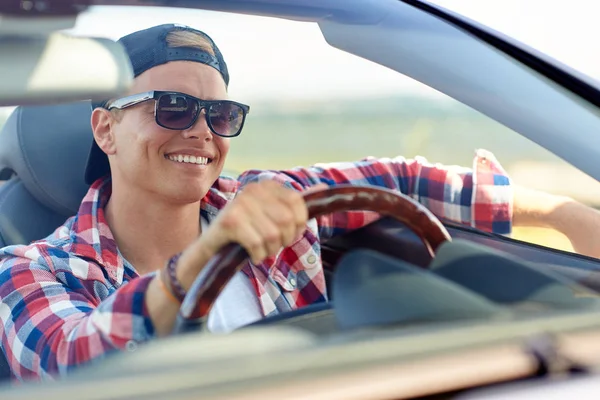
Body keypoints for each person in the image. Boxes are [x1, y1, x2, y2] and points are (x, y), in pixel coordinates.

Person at [1, 23, 600, 382]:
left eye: (221, 114)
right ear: (105, 130)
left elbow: (404, 181)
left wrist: (564, 215)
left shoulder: (271, 200)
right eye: (172, 108)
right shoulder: (28, 270)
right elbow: (72, 361)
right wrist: (209, 252)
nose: (201, 132)